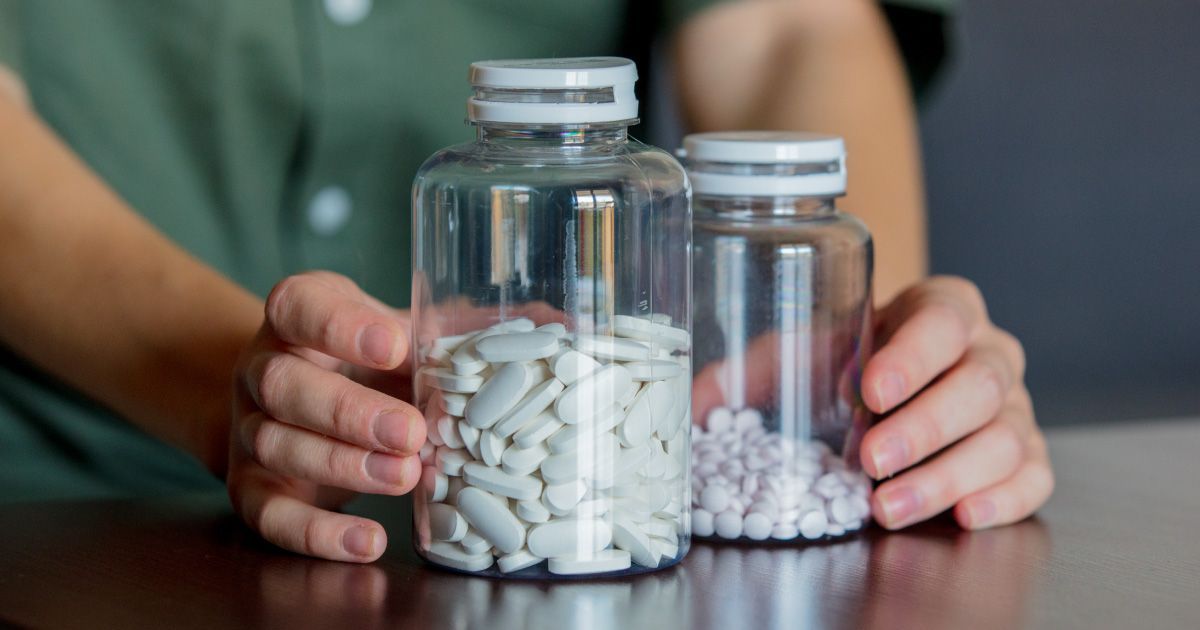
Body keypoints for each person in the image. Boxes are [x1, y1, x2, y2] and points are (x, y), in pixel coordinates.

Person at [0, 0, 1051, 562]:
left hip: (531, 530)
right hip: (66, 514)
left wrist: (849, 375)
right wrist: (219, 379)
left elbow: (788, 24)